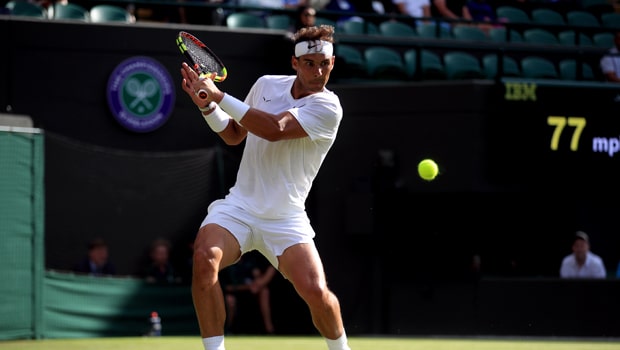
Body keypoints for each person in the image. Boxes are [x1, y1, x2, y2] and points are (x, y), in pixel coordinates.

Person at [179, 25, 350, 350]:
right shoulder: (266, 85)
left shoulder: (329, 108)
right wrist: (207, 106)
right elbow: (233, 134)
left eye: (324, 63)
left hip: (286, 218)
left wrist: (218, 96)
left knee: (316, 292)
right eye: (310, 63)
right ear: (295, 63)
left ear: (333, 63)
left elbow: (274, 129)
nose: (318, 71)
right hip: (239, 208)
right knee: (204, 259)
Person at [220, 250, 277, 334]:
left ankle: (269, 329)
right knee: (230, 299)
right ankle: (228, 328)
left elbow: (257, 275)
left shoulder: (249, 261)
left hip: (250, 292)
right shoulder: (226, 264)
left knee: (265, 291)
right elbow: (226, 287)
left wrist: (257, 283)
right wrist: (247, 287)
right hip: (233, 293)